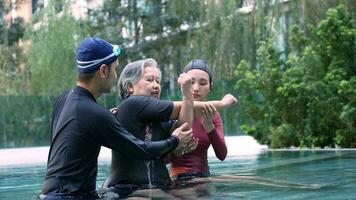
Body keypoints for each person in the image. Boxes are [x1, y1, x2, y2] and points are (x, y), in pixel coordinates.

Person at [39, 37, 194, 199]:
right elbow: (141, 150)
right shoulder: (95, 113)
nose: (116, 75)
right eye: (115, 69)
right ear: (103, 71)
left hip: (51, 194)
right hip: (71, 197)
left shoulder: (65, 100)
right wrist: (175, 141)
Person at [103, 58, 238, 198]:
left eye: (158, 81)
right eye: (149, 80)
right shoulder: (131, 105)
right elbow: (182, 112)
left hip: (158, 187)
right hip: (126, 189)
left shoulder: (160, 120)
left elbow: (184, 128)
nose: (156, 85)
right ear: (130, 87)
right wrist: (222, 103)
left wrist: (187, 97)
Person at [169, 59, 229, 182]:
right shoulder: (171, 112)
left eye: (203, 83)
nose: (196, 88)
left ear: (210, 87)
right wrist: (175, 147)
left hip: (204, 177)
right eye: (191, 82)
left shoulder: (213, 115)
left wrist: (209, 127)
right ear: (182, 83)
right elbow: (160, 158)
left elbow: (222, 155)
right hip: (177, 180)